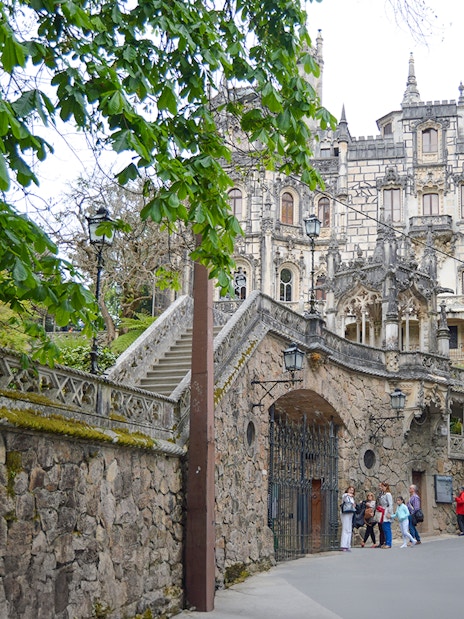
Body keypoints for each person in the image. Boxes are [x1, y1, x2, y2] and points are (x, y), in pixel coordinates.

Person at [340, 486, 356, 552]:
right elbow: (343, 496)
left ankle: (348, 545)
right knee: (345, 529)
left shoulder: (352, 498)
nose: (351, 491)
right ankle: (343, 545)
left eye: (352, 490)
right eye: (350, 490)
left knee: (349, 529)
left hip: (350, 513)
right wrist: (348, 494)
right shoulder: (346, 496)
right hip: (345, 514)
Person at [378, 482, 393, 548]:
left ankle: (388, 543)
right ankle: (386, 542)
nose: (381, 488)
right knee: (384, 528)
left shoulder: (388, 494)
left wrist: (389, 513)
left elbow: (390, 504)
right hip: (383, 511)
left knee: (387, 528)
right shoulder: (382, 494)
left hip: (386, 511)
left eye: (383, 487)